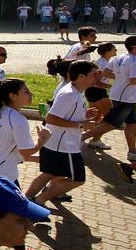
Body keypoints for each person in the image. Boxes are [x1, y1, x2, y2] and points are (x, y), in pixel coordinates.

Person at [0, 78, 51, 250]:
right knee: (3, 215)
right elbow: (26, 151)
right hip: (1, 175)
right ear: (13, 96)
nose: (31, 93)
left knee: (7, 213)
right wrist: (42, 141)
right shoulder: (17, 119)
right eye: (26, 91)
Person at [25, 60, 97, 207]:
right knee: (77, 179)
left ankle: (24, 201)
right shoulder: (69, 94)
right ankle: (39, 201)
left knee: (49, 174)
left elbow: (66, 114)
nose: (97, 77)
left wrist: (84, 114)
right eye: (94, 74)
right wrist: (81, 124)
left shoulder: (77, 92)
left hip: (57, 142)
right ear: (81, 76)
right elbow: (51, 118)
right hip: (64, 146)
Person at [82, 34, 136, 160]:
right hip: (125, 98)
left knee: (132, 123)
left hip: (121, 95)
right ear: (135, 47)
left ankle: (132, 151)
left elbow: (106, 73)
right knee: (110, 124)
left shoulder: (118, 57)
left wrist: (121, 78)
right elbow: (134, 81)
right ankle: (80, 138)